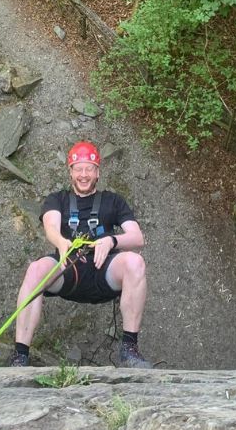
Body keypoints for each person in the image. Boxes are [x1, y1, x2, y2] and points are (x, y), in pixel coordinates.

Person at [10, 141, 153, 369]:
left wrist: (111, 240)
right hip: (69, 271)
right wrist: (62, 242)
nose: (83, 175)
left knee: (135, 262)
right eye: (78, 169)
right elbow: (51, 227)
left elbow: (137, 238)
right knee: (35, 270)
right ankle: (20, 355)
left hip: (103, 271)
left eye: (89, 169)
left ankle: (129, 350)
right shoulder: (58, 199)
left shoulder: (113, 201)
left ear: (97, 172)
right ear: (70, 172)